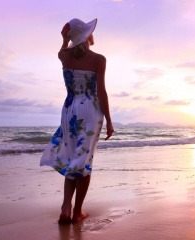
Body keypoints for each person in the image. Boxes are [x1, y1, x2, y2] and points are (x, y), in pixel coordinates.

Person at [40, 18, 114, 224]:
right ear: (86, 36)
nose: (93, 33)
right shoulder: (99, 59)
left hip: (69, 109)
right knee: (84, 163)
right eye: (90, 31)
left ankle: (65, 207)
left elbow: (63, 51)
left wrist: (64, 40)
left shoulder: (63, 55)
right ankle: (77, 211)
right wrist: (109, 119)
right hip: (90, 110)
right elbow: (101, 91)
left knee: (74, 159)